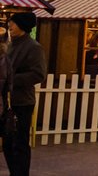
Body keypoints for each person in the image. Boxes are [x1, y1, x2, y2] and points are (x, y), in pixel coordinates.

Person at [2, 13, 46, 176]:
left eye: (13, 23)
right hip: (6, 101)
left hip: (22, 102)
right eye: (9, 23)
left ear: (22, 26)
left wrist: (10, 79)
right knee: (7, 143)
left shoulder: (33, 47)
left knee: (18, 143)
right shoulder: (10, 45)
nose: (10, 26)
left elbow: (38, 74)